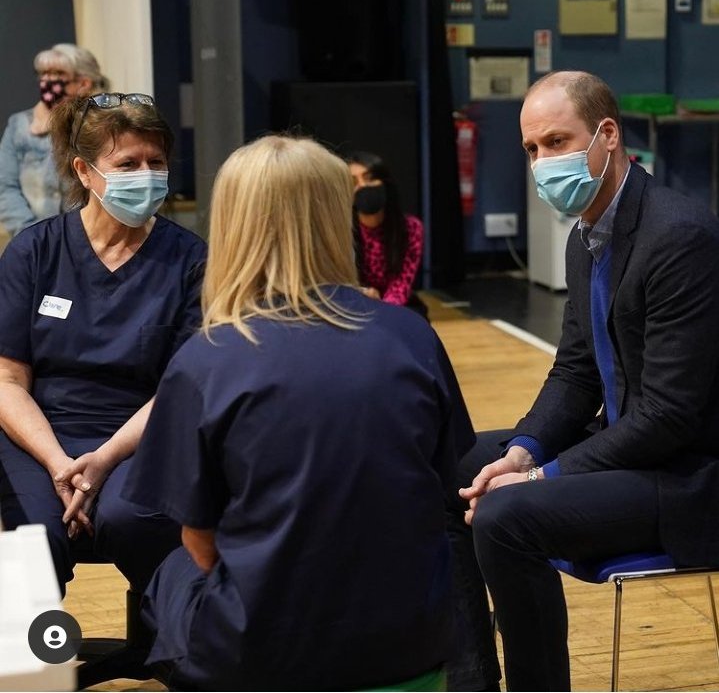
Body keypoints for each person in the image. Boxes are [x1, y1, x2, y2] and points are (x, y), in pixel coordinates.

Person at [122, 134, 475, 691]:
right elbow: (440, 484)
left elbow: (200, 543)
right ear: (336, 217)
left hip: (268, 658)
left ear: (233, 225)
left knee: (170, 573)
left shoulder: (206, 359)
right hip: (411, 643)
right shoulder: (413, 335)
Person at [449, 70, 719, 692]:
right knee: (456, 468)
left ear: (608, 135)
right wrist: (522, 452)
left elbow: (670, 417)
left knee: (504, 517)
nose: (543, 162)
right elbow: (575, 372)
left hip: (688, 475)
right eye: (531, 149)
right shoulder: (586, 238)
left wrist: (540, 478)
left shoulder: (679, 236)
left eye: (556, 141)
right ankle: (473, 678)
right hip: (632, 450)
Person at [0, 92, 207, 598]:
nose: (147, 175)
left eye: (156, 162)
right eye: (128, 164)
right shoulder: (35, 251)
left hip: (142, 437)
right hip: (40, 434)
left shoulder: (190, 260)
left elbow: (181, 388)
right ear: (85, 171)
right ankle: (42, 646)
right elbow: (7, 380)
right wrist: (58, 464)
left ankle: (167, 631)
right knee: (36, 533)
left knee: (130, 518)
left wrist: (105, 459)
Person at [0, 43, 109, 237]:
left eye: (58, 73)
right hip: (34, 238)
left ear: (84, 83)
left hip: (93, 237)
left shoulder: (106, 126)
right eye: (44, 73)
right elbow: (5, 187)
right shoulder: (19, 125)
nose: (48, 80)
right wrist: (32, 235)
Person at [346, 150, 427, 317]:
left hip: (397, 307)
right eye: (354, 182)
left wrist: (383, 311)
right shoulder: (342, 231)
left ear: (384, 182)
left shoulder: (411, 228)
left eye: (369, 178)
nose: (362, 186)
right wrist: (363, 294)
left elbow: (401, 284)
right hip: (355, 306)